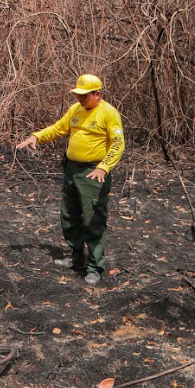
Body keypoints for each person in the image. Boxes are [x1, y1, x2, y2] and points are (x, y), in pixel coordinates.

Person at [16, 74, 125, 286]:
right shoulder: (75, 110)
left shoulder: (108, 113)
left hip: (94, 173)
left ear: (97, 94)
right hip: (72, 171)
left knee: (92, 220)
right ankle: (76, 257)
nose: (80, 100)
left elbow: (118, 143)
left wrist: (104, 167)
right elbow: (59, 128)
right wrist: (37, 136)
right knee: (69, 215)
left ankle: (94, 267)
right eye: (78, 95)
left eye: (84, 96)